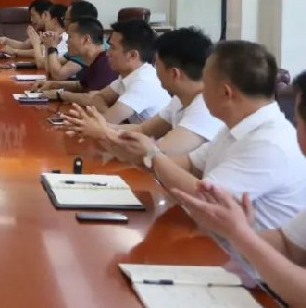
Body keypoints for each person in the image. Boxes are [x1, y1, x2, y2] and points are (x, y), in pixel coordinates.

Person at [118, 41, 306, 229]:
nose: (200, 90)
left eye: (205, 83)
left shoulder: (269, 144)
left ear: (225, 92)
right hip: (211, 236)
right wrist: (142, 156)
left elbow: (204, 198)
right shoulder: (234, 127)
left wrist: (153, 156)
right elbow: (189, 165)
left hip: (231, 246)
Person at [172, 70, 306, 308]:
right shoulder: (232, 129)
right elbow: (287, 246)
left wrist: (240, 234)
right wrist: (240, 230)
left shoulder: (271, 142)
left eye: (297, 122)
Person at [64, 27, 223, 157]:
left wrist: (104, 133)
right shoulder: (181, 99)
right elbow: (143, 130)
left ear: (174, 74)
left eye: (157, 64)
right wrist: (101, 127)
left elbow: (157, 154)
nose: (154, 69)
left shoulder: (204, 109)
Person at [47, 19, 170, 124]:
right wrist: (107, 113)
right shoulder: (126, 76)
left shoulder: (143, 81)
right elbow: (98, 97)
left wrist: (106, 116)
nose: (107, 53)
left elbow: (106, 122)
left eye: (113, 48)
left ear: (133, 55)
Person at [36, 17, 116, 97]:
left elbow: (94, 99)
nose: (67, 41)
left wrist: (60, 95)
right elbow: (81, 85)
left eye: (70, 37)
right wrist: (52, 84)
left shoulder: (105, 64)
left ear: (86, 39)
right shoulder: (95, 60)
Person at [42, 0, 99, 79]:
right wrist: (48, 45)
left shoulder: (88, 44)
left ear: (76, 21)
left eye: (65, 18)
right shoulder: (79, 41)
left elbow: (58, 75)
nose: (63, 21)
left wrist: (52, 47)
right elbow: (49, 69)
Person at [33, 3, 68, 70]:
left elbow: (41, 64)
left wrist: (35, 43)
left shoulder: (65, 38)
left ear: (54, 20)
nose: (45, 21)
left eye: (47, 17)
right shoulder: (55, 38)